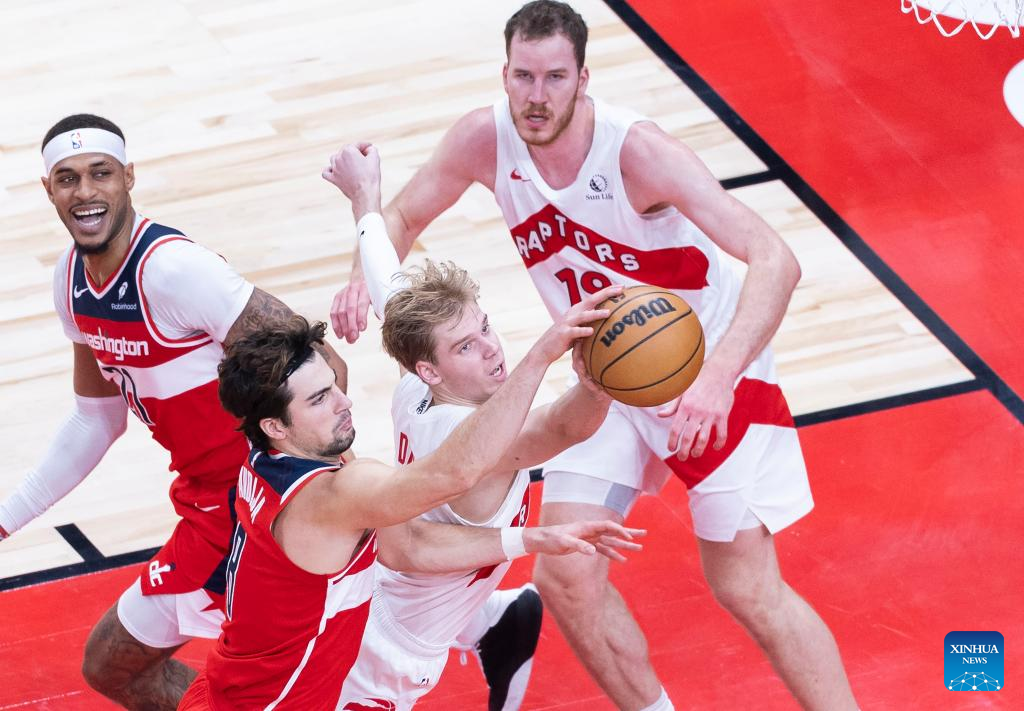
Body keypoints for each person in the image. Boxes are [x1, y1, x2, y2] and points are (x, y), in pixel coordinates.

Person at [329, 2, 858, 710]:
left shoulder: (639, 152)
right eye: (524, 76)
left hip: (701, 371)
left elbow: (776, 258)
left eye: (554, 77)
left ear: (583, 78)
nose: (537, 96)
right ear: (505, 74)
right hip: (603, 374)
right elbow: (401, 215)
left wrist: (717, 379)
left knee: (745, 586)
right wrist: (358, 277)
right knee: (568, 574)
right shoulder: (484, 139)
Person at [0, 113, 348, 711]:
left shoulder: (173, 270)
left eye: (100, 173)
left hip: (261, 506)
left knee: (287, 687)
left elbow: (325, 368)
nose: (85, 191)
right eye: (67, 178)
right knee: (113, 667)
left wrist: (309, 493)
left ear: (128, 177)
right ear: (48, 190)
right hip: (206, 507)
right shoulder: (71, 281)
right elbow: (96, 419)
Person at [178, 310, 640, 709]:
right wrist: (540, 355)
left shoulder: (264, 457)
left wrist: (533, 538)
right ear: (275, 424)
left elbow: (404, 546)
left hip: (226, 687)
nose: (344, 401)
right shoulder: (336, 495)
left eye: (332, 385)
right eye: (319, 399)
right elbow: (454, 473)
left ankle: (491, 618)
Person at [322, 144, 629, 711]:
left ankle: (495, 618)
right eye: (466, 346)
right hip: (387, 651)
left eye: (485, 328)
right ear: (432, 369)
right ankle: (494, 618)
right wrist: (580, 374)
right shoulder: (471, 440)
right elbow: (561, 428)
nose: (490, 349)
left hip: (368, 595)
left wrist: (365, 201)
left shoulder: (418, 383)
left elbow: (390, 288)